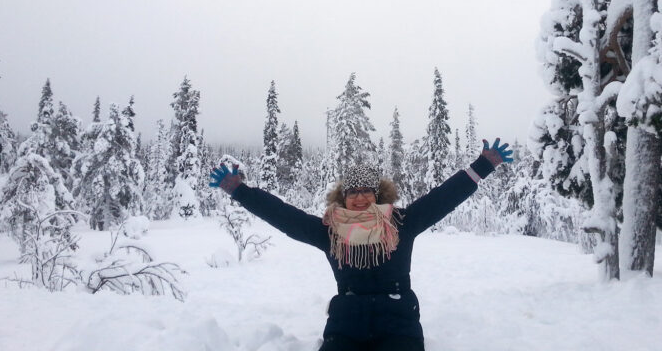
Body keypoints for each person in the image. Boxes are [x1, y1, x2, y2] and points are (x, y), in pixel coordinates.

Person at [209, 138, 513, 351]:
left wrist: (481, 166)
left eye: (366, 191)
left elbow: (442, 198)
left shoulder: (400, 223)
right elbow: (285, 216)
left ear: (377, 196)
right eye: (352, 192)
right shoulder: (330, 232)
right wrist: (241, 191)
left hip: (399, 322)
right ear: (343, 198)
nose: (359, 197)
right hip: (346, 325)